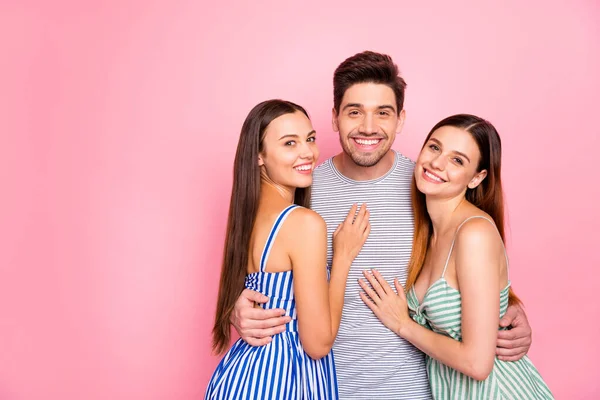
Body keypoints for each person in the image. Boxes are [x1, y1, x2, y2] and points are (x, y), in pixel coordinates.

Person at [231, 51, 533, 399]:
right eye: (354, 111)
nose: (369, 127)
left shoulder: (428, 185)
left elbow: (471, 261)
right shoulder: (303, 185)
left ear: (401, 119)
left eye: (383, 113)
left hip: (414, 391)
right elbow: (266, 263)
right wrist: (238, 308)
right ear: (335, 117)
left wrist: (511, 309)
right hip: (324, 387)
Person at [359, 114, 553, 399]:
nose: (437, 163)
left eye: (457, 160)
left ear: (477, 178)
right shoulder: (431, 231)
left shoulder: (474, 233)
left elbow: (477, 363)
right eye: (435, 148)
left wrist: (403, 324)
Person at [205, 99, 370, 399]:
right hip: (279, 380)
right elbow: (317, 344)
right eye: (289, 143)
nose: (307, 152)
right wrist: (343, 257)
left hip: (239, 375)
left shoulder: (248, 218)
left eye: (309, 139)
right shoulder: (302, 223)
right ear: (259, 156)